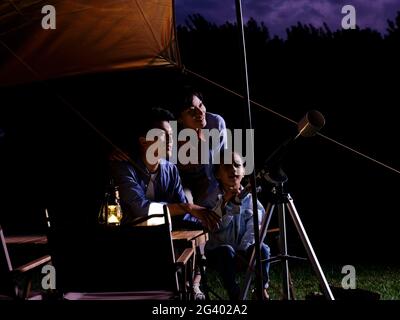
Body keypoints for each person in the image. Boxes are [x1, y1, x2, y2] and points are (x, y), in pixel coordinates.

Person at [111, 107, 220, 231]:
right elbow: (141, 209)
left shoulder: (171, 170)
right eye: (163, 134)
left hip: (166, 239)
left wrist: (208, 221)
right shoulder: (124, 168)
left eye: (171, 134)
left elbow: (184, 214)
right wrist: (187, 207)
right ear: (143, 142)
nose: (170, 140)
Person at [204, 151, 270, 300]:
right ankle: (235, 294)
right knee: (226, 250)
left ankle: (261, 288)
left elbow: (256, 227)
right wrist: (226, 203)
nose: (233, 169)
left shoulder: (251, 199)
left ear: (244, 170)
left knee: (262, 248)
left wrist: (244, 249)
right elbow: (214, 227)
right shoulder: (211, 199)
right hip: (219, 252)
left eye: (237, 165)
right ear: (217, 174)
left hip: (243, 251)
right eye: (226, 166)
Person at [174, 87, 227, 209]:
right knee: (187, 204)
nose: (200, 112)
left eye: (201, 105)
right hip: (183, 183)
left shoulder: (215, 123)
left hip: (210, 180)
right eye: (191, 111)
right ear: (180, 119)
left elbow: (221, 162)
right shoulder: (171, 134)